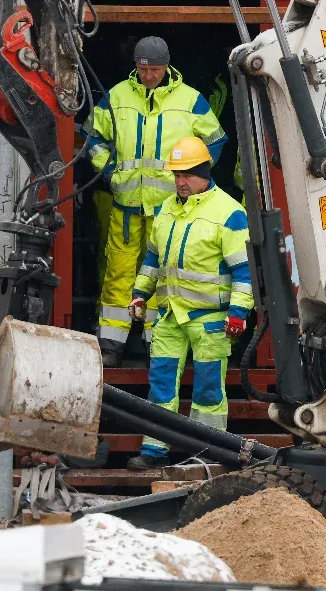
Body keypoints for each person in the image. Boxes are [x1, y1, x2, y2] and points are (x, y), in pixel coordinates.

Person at [84, 35, 228, 367]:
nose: (149, 76)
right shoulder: (117, 97)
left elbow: (216, 141)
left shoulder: (190, 100)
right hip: (126, 203)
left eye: (156, 70)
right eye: (144, 69)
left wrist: (191, 180)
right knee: (119, 273)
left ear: (167, 67)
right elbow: (92, 137)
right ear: (136, 66)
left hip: (169, 209)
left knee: (164, 277)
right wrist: (109, 174)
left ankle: (157, 342)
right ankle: (111, 345)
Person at [126, 136, 253, 470]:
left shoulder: (230, 213)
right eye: (176, 174)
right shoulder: (167, 209)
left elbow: (245, 273)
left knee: (209, 392)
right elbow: (153, 258)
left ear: (204, 172)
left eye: (187, 174)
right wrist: (140, 292)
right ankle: (154, 452)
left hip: (211, 321)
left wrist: (239, 313)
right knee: (161, 386)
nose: (180, 182)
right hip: (170, 316)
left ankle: (208, 455)